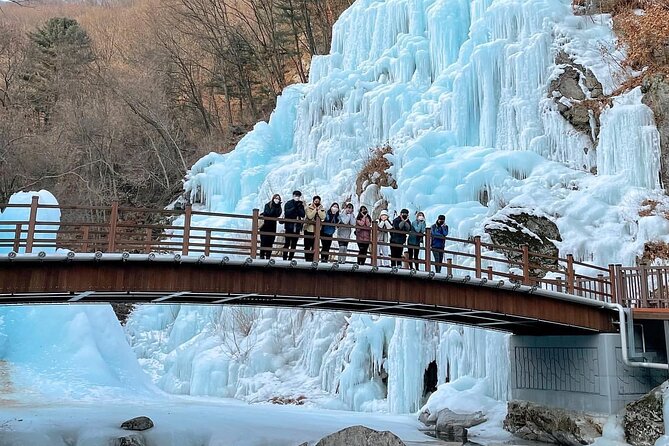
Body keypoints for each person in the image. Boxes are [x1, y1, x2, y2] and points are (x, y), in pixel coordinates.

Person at [282, 191, 305, 260]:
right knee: (287, 243)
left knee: (294, 244)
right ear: (293, 195)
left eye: (298, 196)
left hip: (297, 226)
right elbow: (287, 213)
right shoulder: (288, 203)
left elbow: (303, 215)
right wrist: (294, 207)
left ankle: (290, 258)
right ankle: (284, 258)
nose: (297, 197)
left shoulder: (301, 204)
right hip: (289, 226)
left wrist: (299, 207)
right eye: (296, 195)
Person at [259, 194, 282, 259]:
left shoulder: (279, 206)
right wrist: (274, 206)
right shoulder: (267, 205)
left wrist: (277, 205)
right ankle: (262, 255)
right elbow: (269, 213)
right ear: (273, 198)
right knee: (263, 241)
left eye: (278, 198)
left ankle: (268, 256)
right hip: (265, 226)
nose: (277, 200)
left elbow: (278, 214)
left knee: (271, 241)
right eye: (276, 198)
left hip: (272, 226)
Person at [304, 195, 325, 262]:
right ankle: (307, 259)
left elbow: (323, 217)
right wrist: (315, 210)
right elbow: (310, 216)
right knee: (307, 245)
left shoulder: (322, 208)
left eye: (318, 201)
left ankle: (313, 259)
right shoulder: (308, 208)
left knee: (314, 245)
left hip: (317, 230)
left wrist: (318, 210)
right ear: (313, 201)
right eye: (315, 201)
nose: (317, 202)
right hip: (308, 229)